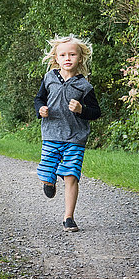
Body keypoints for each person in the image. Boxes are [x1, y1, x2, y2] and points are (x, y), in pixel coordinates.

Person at [34, 34, 101, 232]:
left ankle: (68, 217)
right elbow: (39, 99)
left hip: (76, 138)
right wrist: (41, 109)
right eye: (63, 55)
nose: (67, 58)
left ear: (80, 58)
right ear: (56, 58)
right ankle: (49, 181)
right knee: (47, 173)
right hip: (51, 135)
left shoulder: (85, 86)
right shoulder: (49, 79)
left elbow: (96, 112)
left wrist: (82, 110)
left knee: (71, 176)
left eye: (72, 54)